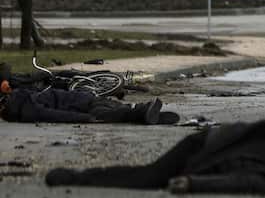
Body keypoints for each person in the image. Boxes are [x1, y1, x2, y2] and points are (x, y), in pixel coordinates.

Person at [44, 119, 265, 196]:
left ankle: (76, 178)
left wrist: (194, 183)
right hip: (207, 142)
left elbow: (240, 183)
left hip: (205, 162)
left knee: (150, 179)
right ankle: (77, 177)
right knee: (150, 176)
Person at [0, 82, 174, 125]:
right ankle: (144, 113)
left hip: (84, 103)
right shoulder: (23, 101)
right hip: (85, 101)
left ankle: (143, 113)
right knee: (112, 110)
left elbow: (53, 114)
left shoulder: (21, 104)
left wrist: (84, 118)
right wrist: (85, 117)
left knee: (107, 111)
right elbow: (55, 113)